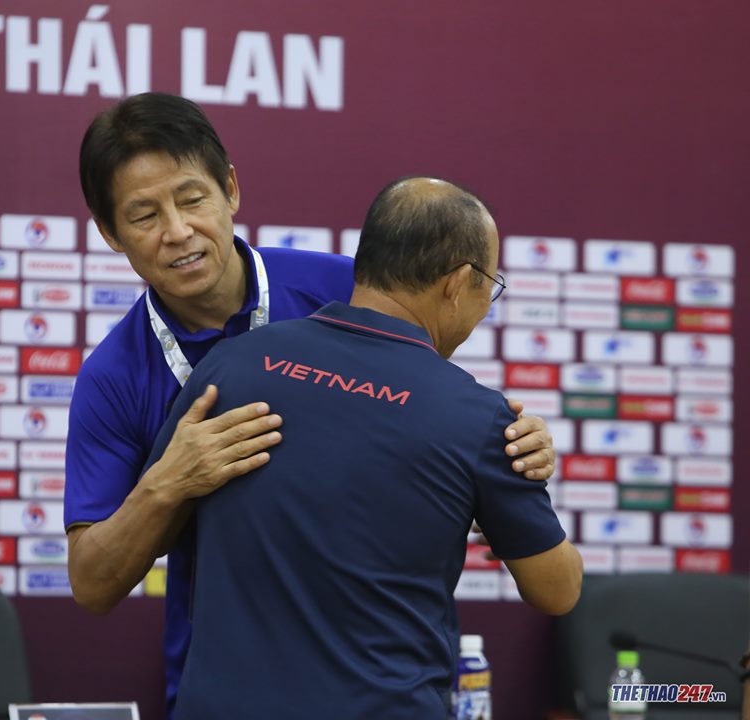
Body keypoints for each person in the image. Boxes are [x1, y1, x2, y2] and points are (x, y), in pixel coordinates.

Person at [64, 93, 558, 715]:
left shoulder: (350, 289)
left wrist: (518, 449)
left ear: (230, 189)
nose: (178, 232)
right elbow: (92, 582)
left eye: (192, 199)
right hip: (224, 693)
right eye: (143, 215)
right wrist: (167, 484)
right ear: (110, 233)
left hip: (380, 687)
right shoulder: (113, 377)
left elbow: (446, 422)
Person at [144, 177, 583, 720]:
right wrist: (518, 487)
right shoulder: (478, 419)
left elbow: (152, 518)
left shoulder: (231, 366)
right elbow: (557, 591)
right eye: (487, 286)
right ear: (458, 283)